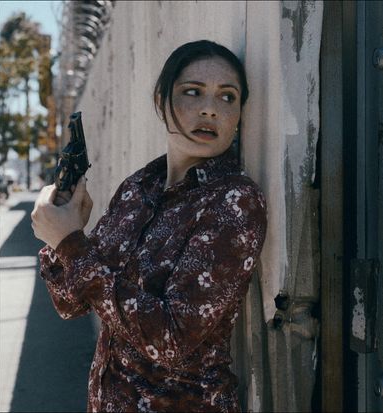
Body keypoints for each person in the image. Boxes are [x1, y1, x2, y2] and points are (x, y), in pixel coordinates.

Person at [31, 40, 267, 413]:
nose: (210, 109)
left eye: (227, 97)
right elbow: (70, 303)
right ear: (162, 101)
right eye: (193, 92)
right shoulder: (138, 187)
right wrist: (61, 237)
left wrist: (72, 243)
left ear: (239, 114)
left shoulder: (234, 203)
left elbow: (171, 339)